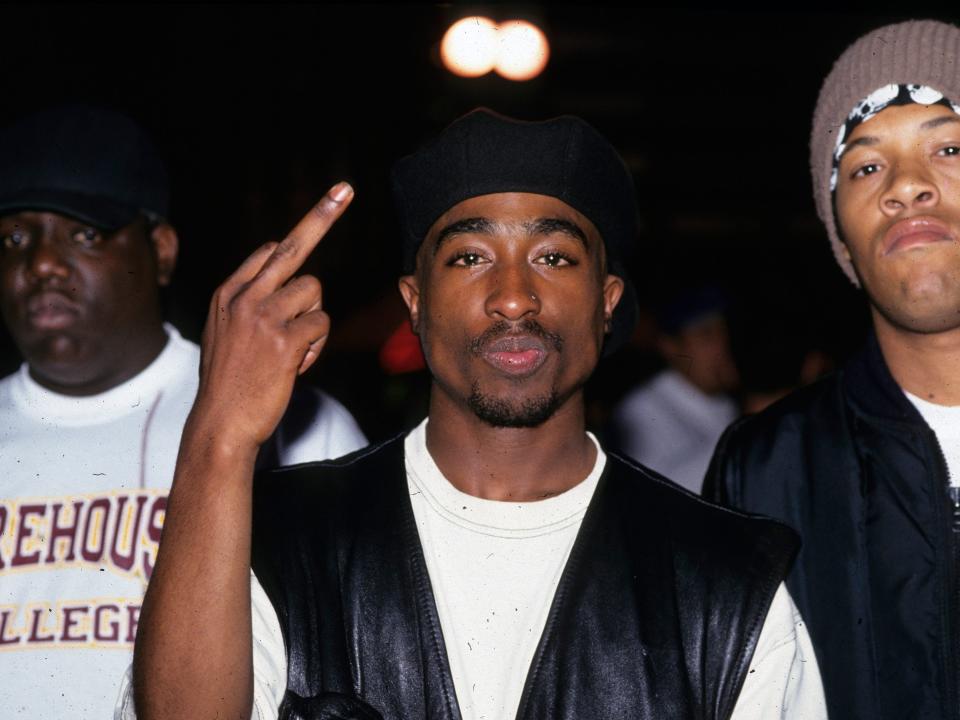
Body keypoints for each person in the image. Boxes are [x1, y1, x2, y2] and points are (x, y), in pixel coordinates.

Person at [129, 109, 825, 720]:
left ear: (607, 301)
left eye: (554, 256)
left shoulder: (726, 580)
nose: (514, 297)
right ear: (414, 302)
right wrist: (219, 433)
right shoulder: (280, 540)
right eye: (469, 256)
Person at [0, 104, 367, 718]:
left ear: (162, 251)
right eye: (14, 238)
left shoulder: (290, 422)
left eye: (84, 233)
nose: (40, 263)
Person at [704, 19, 960, 720]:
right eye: (867, 165)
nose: (908, 187)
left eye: (948, 147)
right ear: (838, 226)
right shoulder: (764, 470)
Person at [611, 285, 739, 493]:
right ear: (671, 347)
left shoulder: (727, 402)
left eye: (725, 332)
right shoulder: (640, 409)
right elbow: (655, 492)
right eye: (706, 335)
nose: (722, 346)